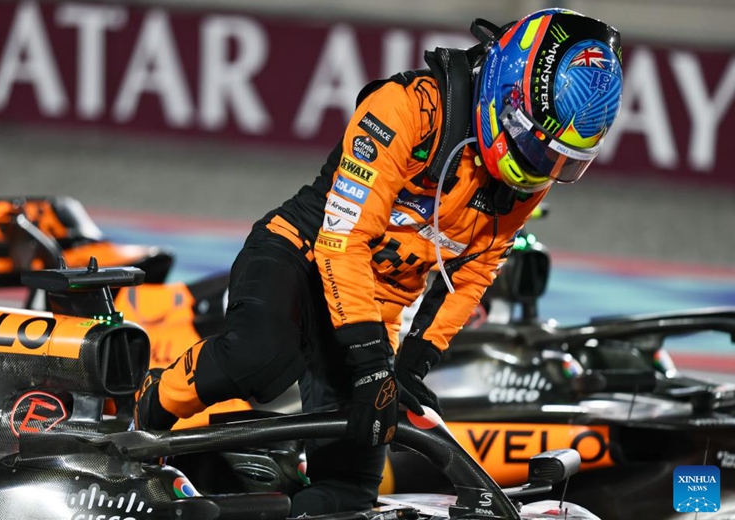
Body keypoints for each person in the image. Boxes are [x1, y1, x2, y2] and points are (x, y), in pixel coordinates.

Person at [134, 7, 624, 515]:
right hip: (300, 255)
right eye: (535, 146)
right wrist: (371, 365)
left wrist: (412, 366)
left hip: (376, 305)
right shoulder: (405, 108)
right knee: (263, 357)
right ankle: (154, 402)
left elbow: (473, 270)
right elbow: (340, 242)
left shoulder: (523, 173)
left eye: (559, 160)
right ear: (507, 88)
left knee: (349, 490)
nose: (539, 168)